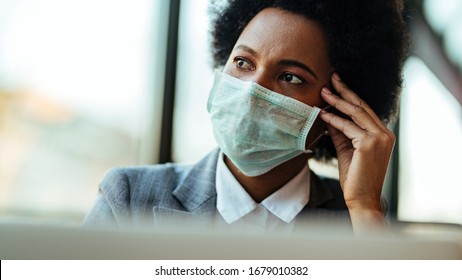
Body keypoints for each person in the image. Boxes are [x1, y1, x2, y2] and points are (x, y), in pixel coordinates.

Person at [84, 0, 408, 234]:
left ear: (335, 109)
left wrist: (365, 209)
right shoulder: (129, 198)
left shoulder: (357, 218)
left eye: (291, 77)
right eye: (243, 63)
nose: (252, 91)